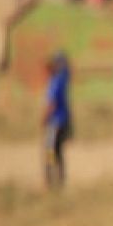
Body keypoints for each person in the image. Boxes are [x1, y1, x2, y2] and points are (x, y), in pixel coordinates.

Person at [42, 52, 71, 190]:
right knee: (57, 152)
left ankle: (49, 179)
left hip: (54, 123)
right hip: (62, 122)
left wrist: (43, 119)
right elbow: (68, 69)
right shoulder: (62, 80)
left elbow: (51, 105)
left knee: (49, 151)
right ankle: (59, 179)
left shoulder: (55, 83)